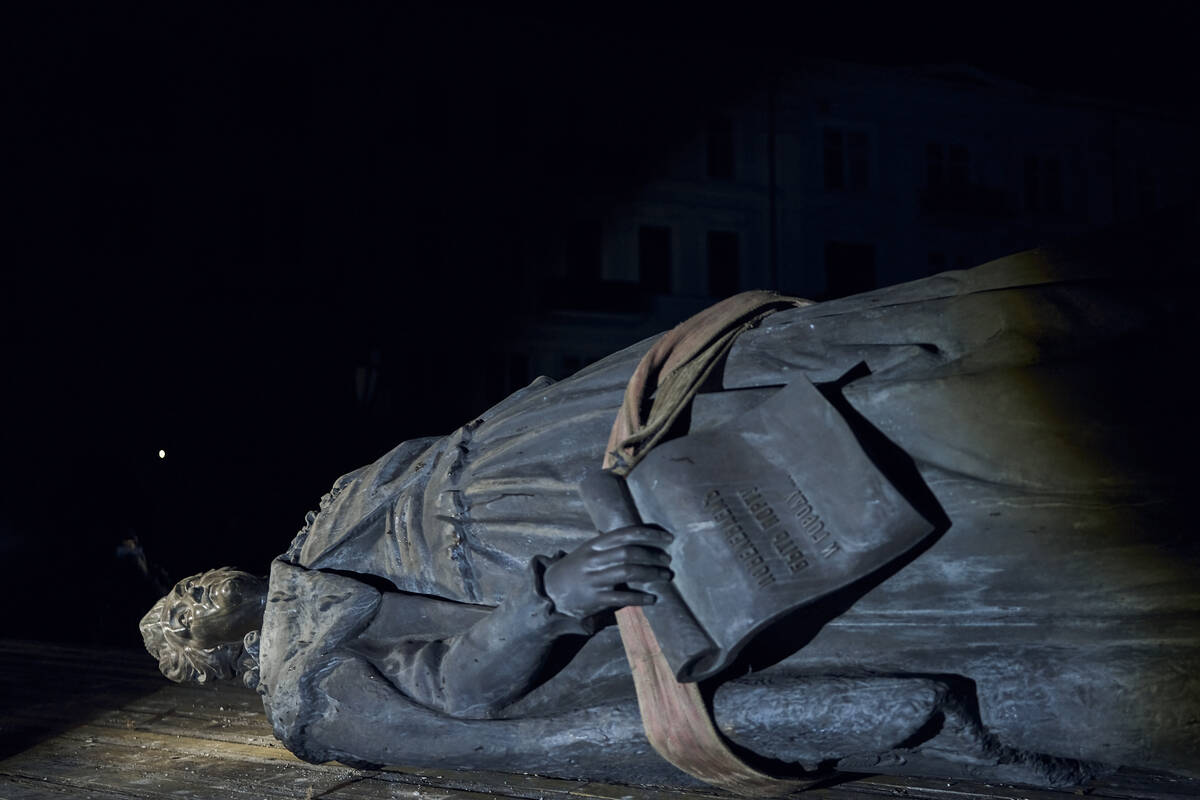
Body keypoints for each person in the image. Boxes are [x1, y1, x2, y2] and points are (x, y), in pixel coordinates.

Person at [141, 206, 1200, 789]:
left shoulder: (319, 524)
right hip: (616, 548)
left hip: (602, 427)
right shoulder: (308, 694)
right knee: (946, 482)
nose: (197, 592)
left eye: (184, 588)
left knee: (904, 354)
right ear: (211, 659)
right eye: (187, 616)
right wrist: (551, 597)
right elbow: (457, 696)